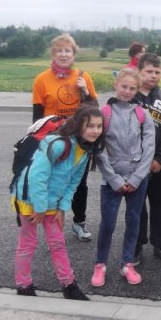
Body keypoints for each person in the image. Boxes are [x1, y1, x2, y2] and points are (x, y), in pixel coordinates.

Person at [12, 105, 105, 300]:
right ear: (78, 125)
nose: (95, 131)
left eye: (99, 126)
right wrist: (39, 208)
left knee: (57, 244)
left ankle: (69, 286)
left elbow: (73, 183)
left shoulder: (85, 149)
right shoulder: (57, 144)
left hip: (51, 202)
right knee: (28, 244)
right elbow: (37, 176)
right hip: (29, 199)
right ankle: (23, 285)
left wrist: (63, 208)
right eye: (90, 126)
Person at [92, 68, 156, 286]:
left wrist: (137, 178)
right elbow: (99, 149)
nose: (127, 91)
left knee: (133, 221)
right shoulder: (104, 112)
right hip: (111, 180)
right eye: (124, 86)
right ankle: (100, 264)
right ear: (116, 85)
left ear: (137, 90)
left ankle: (127, 263)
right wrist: (115, 180)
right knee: (108, 223)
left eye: (132, 88)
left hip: (138, 178)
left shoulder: (143, 114)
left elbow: (149, 148)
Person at [32, 33, 98, 243]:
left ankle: (79, 222)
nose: (63, 54)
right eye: (59, 50)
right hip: (53, 140)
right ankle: (51, 224)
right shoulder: (41, 80)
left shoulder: (83, 77)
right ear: (53, 54)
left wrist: (85, 91)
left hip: (79, 139)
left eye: (67, 50)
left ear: (73, 54)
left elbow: (94, 111)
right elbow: (37, 117)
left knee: (79, 183)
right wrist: (37, 143)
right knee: (52, 181)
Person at [134, 53, 161, 265]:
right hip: (135, 164)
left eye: (157, 72)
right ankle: (136, 245)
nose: (153, 75)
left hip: (160, 164)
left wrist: (160, 158)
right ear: (139, 71)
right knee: (137, 206)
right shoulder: (130, 95)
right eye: (149, 71)